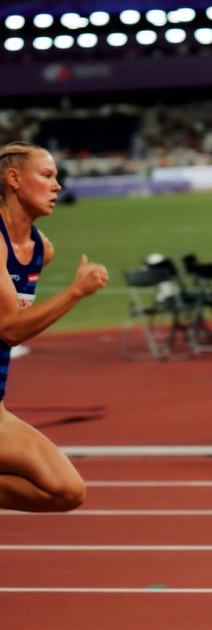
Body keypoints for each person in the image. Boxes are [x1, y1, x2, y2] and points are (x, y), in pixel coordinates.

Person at [0, 143, 109, 512]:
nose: (57, 185)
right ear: (13, 179)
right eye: (47, 175)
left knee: (66, 490)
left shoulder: (40, 250)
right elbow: (10, 330)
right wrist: (76, 291)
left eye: (57, 177)